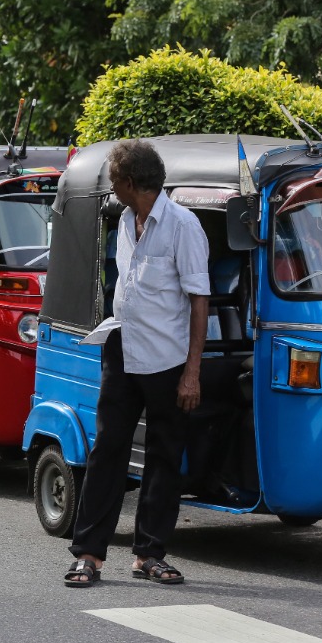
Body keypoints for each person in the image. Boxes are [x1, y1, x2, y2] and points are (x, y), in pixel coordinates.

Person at [65, 140, 209, 587]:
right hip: (122, 349)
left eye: (113, 178)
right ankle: (88, 554)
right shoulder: (127, 219)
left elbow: (199, 300)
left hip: (168, 361)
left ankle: (150, 554)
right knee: (107, 450)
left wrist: (192, 371)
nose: (111, 185)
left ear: (130, 182)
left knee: (164, 457)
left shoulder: (184, 226)